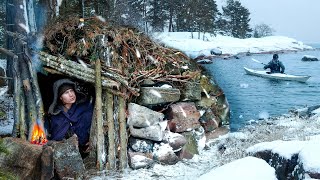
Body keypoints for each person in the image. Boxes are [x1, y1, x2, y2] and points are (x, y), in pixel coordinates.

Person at [48, 79, 93, 156]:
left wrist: (91, 140)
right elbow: (56, 136)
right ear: (60, 98)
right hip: (64, 153)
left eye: (71, 91)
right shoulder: (57, 115)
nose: (71, 95)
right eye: (66, 93)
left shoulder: (83, 108)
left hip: (85, 150)